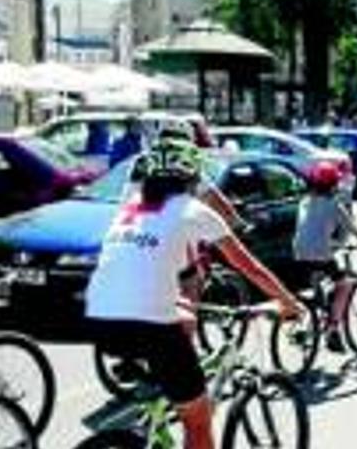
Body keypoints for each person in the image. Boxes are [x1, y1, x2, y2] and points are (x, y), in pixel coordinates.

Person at [86, 137, 302, 449]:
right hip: (151, 329)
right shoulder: (193, 210)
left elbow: (164, 269)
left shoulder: (131, 207)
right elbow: (250, 267)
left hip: (101, 321)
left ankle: (160, 407)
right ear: (192, 177)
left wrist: (183, 300)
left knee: (182, 321)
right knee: (199, 423)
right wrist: (289, 302)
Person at [295, 160, 357, 353]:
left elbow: (310, 229)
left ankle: (310, 320)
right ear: (334, 185)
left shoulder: (305, 201)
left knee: (317, 284)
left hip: (299, 252)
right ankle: (333, 327)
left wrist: (332, 242)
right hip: (321, 253)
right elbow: (353, 230)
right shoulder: (335, 205)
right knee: (345, 284)